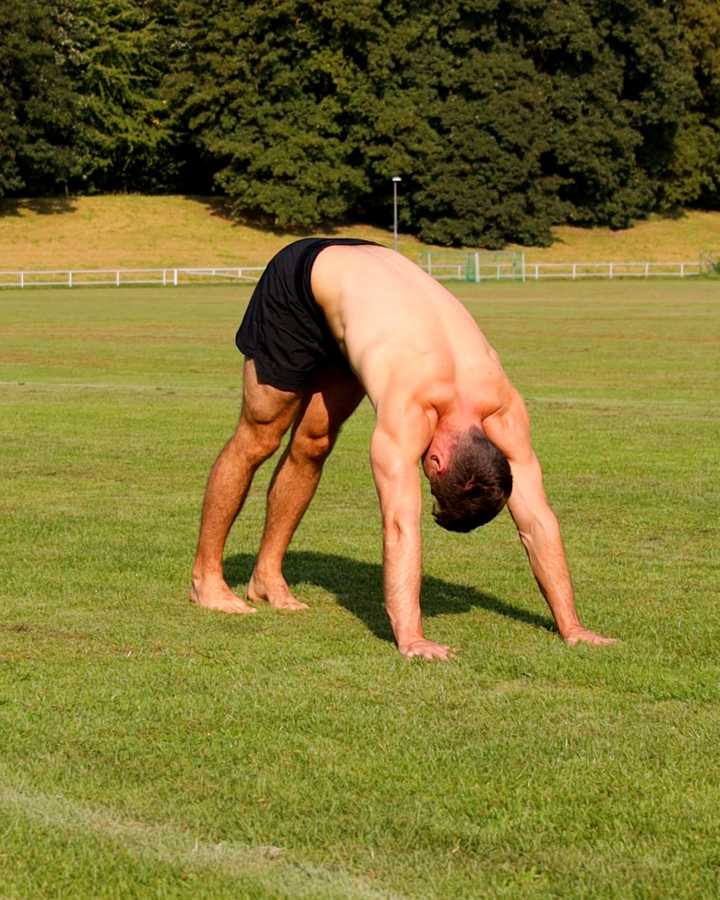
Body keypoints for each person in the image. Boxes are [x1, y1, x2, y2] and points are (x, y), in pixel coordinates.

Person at [190, 238, 616, 659]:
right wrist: (411, 636)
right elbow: (399, 523)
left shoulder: (501, 407)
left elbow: (536, 520)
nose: (424, 479)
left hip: (365, 299)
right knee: (262, 434)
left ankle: (266, 574)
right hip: (305, 280)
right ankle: (206, 577)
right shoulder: (411, 406)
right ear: (437, 462)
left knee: (314, 441)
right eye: (432, 484)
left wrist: (572, 625)